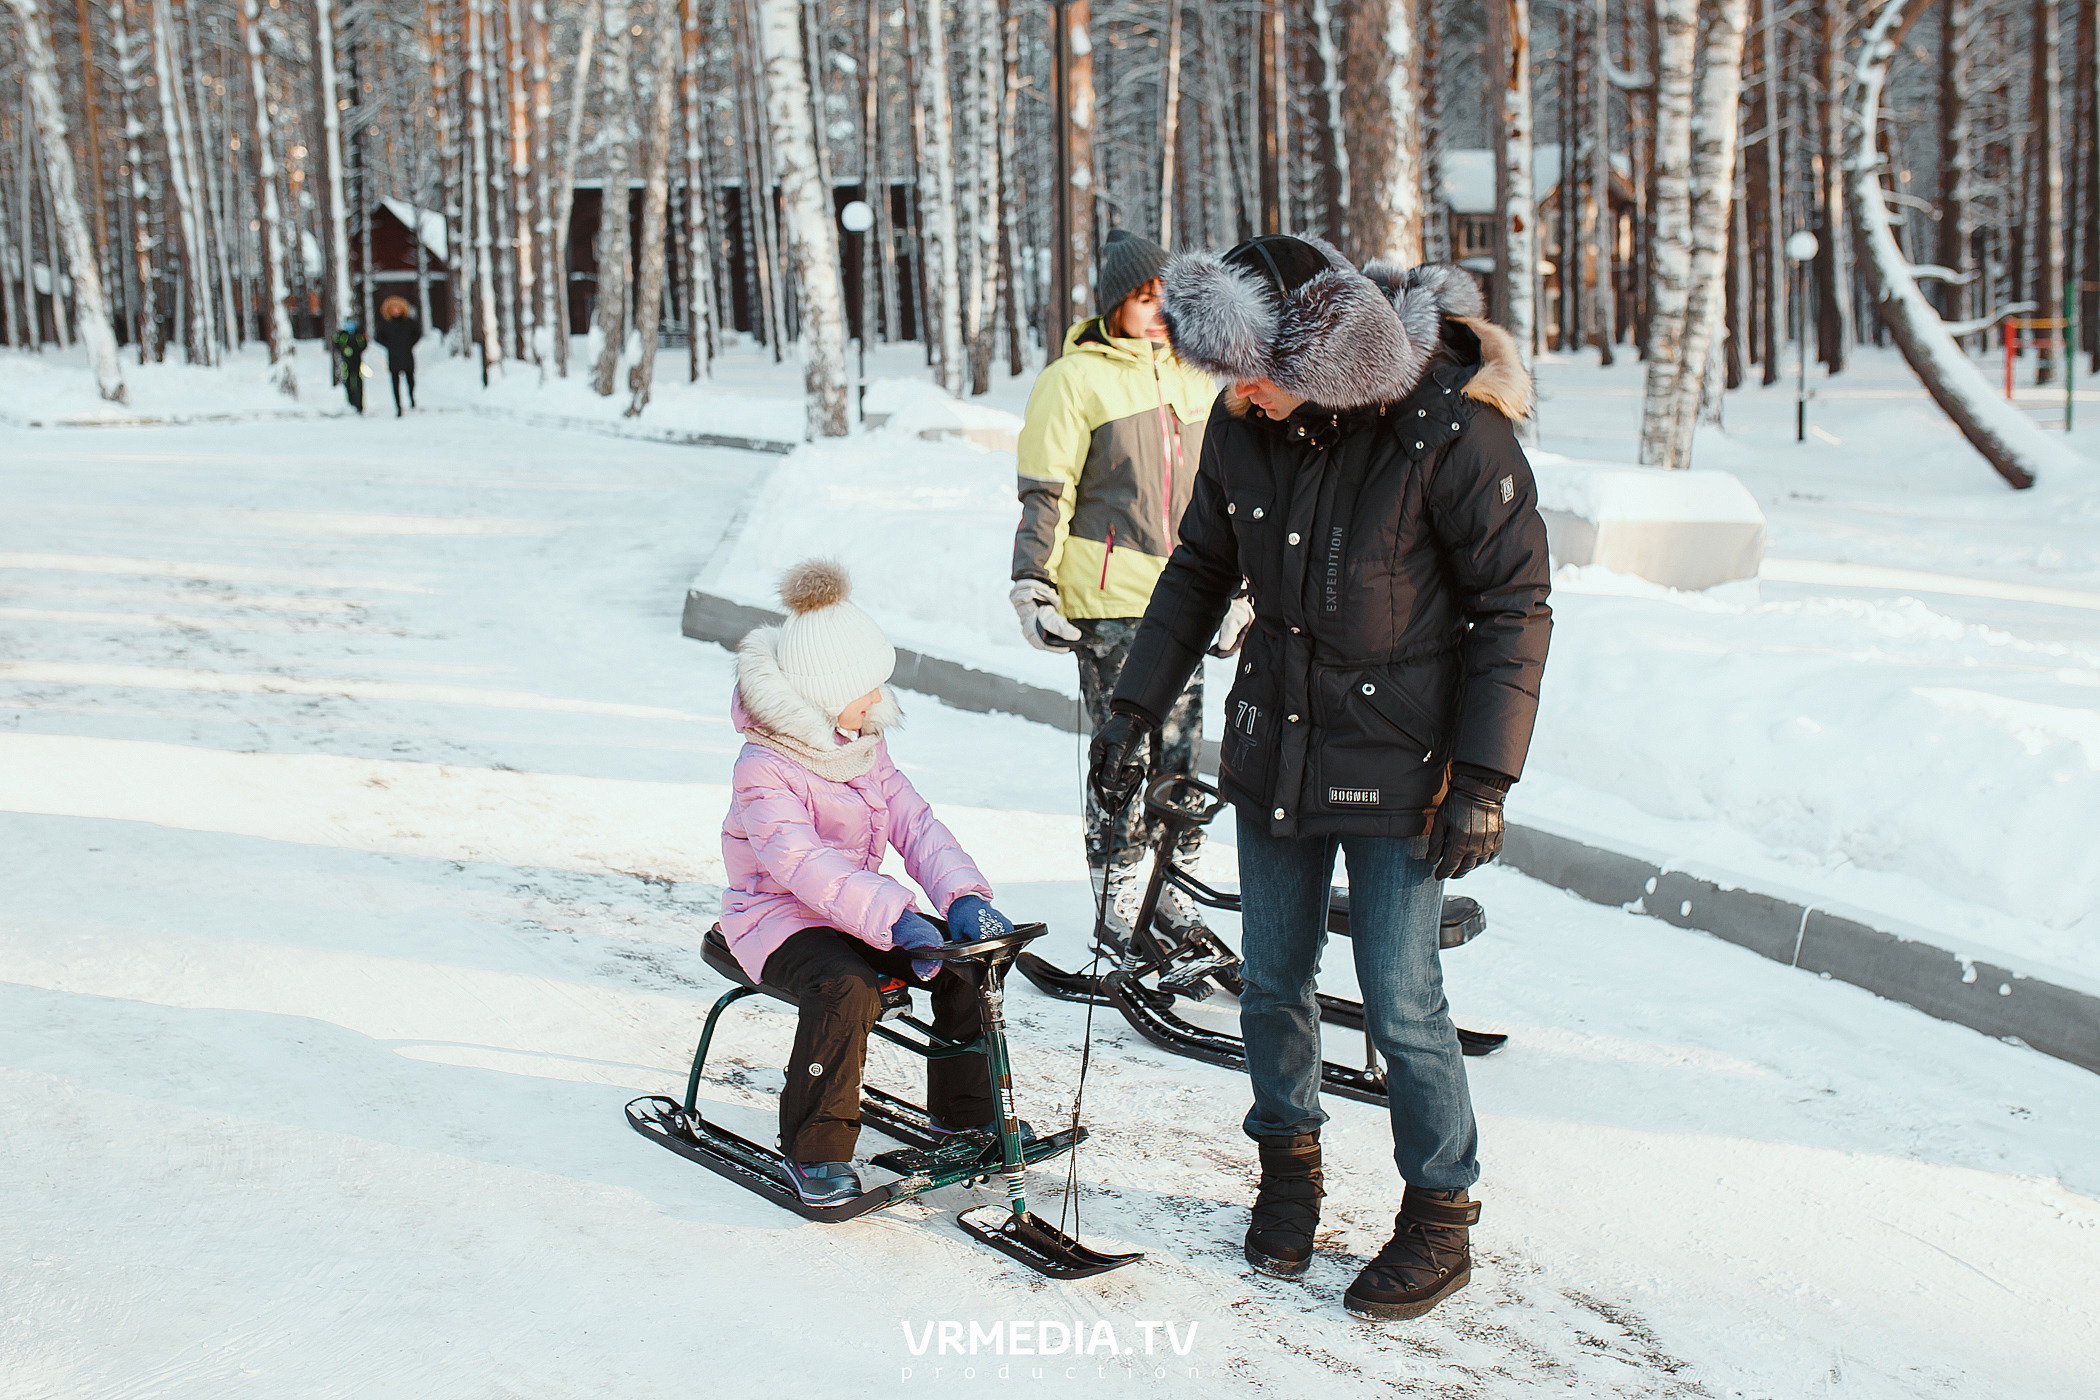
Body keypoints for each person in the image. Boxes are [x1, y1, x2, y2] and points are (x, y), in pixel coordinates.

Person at [1087, 236, 1551, 1321]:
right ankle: (1288, 1170)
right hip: (1275, 744)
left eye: (1246, 364)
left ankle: (1440, 1210)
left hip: (1404, 763)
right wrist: (1134, 707)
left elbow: (1513, 606)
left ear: (1317, 349)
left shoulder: (1448, 429)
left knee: (1402, 997)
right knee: (1271, 979)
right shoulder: (1246, 426)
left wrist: (1484, 774)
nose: (1230, 388)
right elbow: (1202, 565)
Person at [720, 559, 1020, 1208]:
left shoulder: (860, 743)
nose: (880, 699)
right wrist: (898, 918)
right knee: (847, 990)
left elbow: (914, 822)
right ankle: (815, 1150)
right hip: (775, 921)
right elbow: (801, 865)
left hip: (854, 910)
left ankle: (963, 1115)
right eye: (867, 688)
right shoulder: (764, 769)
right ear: (826, 693)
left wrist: (963, 896)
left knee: (966, 965)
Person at [1008, 227, 1248, 944]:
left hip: (1190, 595)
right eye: (1143, 297)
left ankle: (1172, 893)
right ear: (1115, 303)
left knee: (1182, 756)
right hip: (1109, 604)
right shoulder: (1073, 380)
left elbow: (1231, 495)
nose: (1156, 310)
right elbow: (1044, 493)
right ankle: (1116, 896)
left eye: (1164, 297)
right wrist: (1032, 584)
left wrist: (1242, 591)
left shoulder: (1197, 376)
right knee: (1125, 757)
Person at [374, 296, 421, 416]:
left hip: (406, 354)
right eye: (393, 308)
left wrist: (409, 344)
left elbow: (417, 334)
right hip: (394, 356)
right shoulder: (385, 324)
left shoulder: (409, 323)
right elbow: (378, 337)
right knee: (395, 381)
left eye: (398, 307)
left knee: (410, 379)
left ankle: (412, 399)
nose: (395, 310)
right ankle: (398, 405)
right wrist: (390, 345)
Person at [331, 317, 367, 414]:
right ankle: (351, 403)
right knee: (348, 381)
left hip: (357, 362)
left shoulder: (358, 334)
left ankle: (359, 404)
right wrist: (344, 350)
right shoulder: (342, 334)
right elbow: (336, 344)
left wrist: (355, 351)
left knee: (357, 381)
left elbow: (363, 345)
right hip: (346, 362)